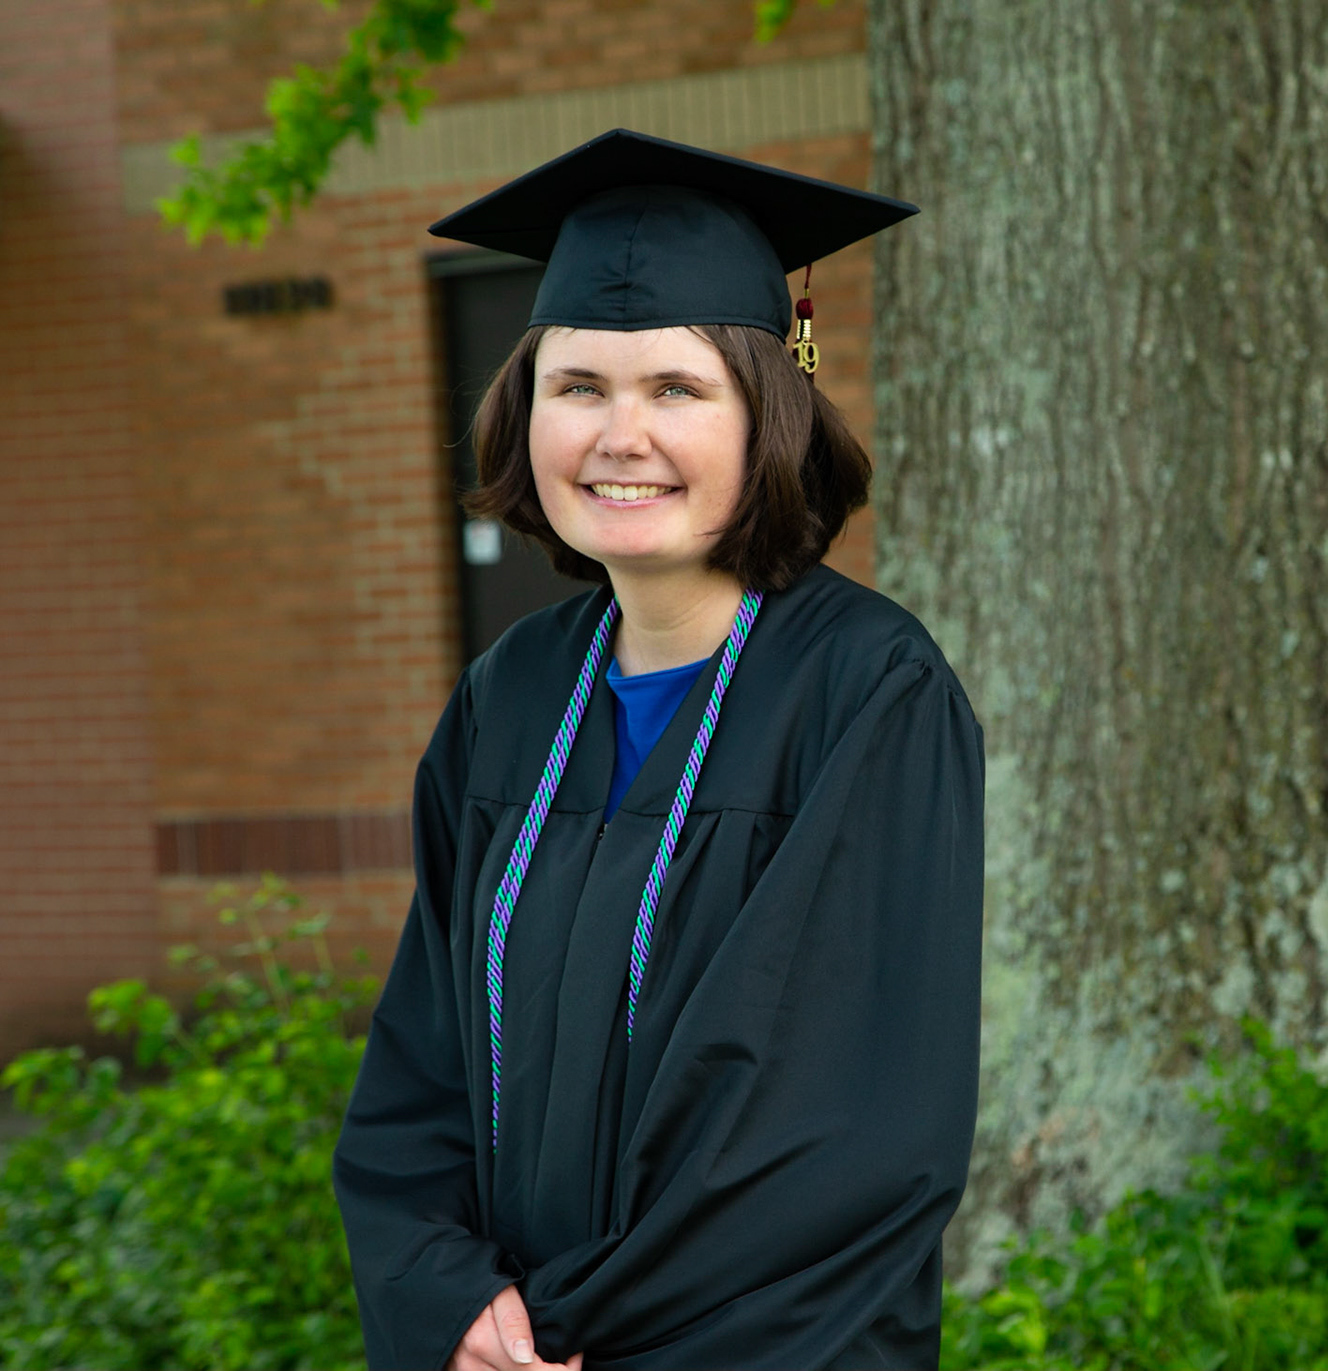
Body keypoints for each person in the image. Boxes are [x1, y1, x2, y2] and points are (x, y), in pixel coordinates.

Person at [331, 130, 985, 1371]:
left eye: (677, 390)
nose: (619, 435)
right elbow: (421, 1063)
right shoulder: (511, 696)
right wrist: (447, 1298)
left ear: (768, 412)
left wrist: (573, 1331)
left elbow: (844, 1130)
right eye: (578, 386)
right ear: (525, 412)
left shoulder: (868, 692)